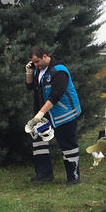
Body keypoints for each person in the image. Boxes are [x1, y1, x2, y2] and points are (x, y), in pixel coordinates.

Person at [25, 46, 82, 185]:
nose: (36, 65)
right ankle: (44, 174)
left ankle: (73, 176)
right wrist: (28, 72)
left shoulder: (59, 71)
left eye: (38, 61)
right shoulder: (37, 71)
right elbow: (30, 87)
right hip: (45, 114)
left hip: (64, 114)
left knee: (68, 144)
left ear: (45, 56)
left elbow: (56, 95)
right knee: (39, 141)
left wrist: (40, 113)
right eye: (34, 63)